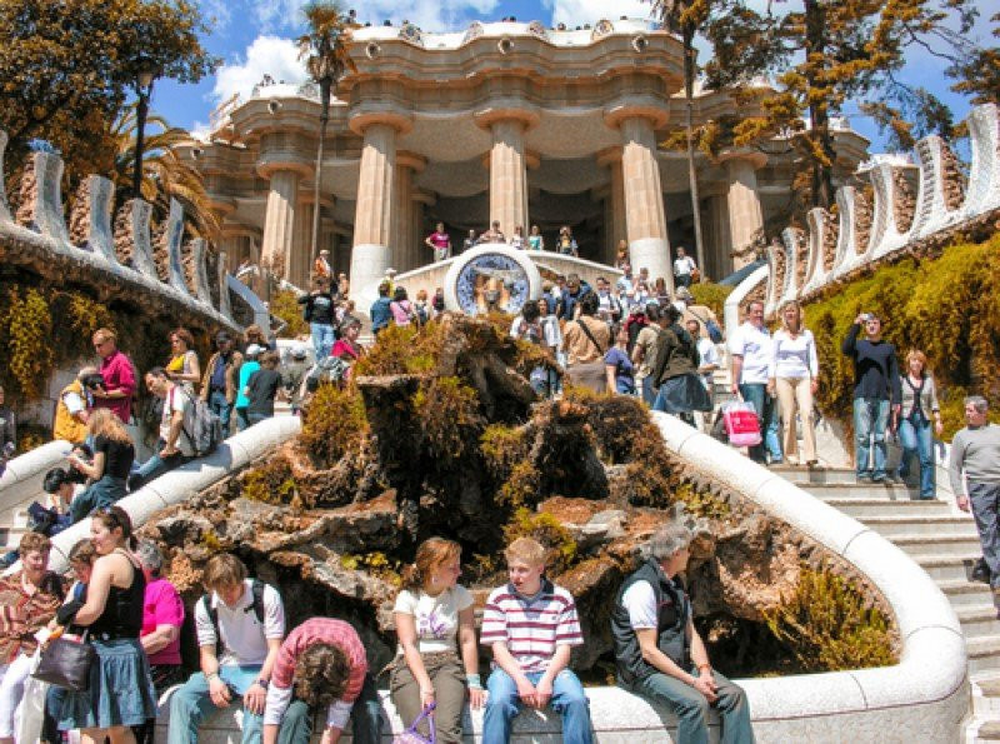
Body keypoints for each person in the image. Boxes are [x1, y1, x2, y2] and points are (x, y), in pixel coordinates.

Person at [612, 523, 754, 744]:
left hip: (678, 664)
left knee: (735, 696)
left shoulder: (676, 582)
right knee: (694, 704)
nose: (691, 553)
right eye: (688, 549)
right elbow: (648, 652)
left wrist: (704, 671)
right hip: (644, 672)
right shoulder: (643, 589)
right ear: (676, 553)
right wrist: (693, 682)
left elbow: (691, 632)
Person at [54, 506, 157, 743]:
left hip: (106, 654)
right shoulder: (135, 562)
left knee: (93, 727)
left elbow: (91, 611)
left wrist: (65, 617)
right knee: (117, 728)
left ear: (117, 531)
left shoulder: (106, 563)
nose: (92, 538)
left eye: (96, 531)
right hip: (128, 651)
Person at [480, 537, 592, 744]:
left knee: (576, 700)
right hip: (509, 670)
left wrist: (547, 679)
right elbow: (499, 648)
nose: (515, 576)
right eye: (512, 569)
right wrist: (521, 680)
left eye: (522, 570)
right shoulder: (498, 598)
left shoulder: (562, 598)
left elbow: (564, 648)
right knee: (498, 702)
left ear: (540, 568)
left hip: (551, 669)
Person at [168, 553, 284, 744]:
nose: (226, 596)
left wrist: (261, 683)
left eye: (231, 589)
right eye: (220, 591)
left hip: (260, 666)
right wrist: (213, 679)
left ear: (242, 581)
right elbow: (207, 652)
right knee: (182, 699)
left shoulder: (266, 596)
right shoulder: (205, 605)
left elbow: (276, 649)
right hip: (226, 666)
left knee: (256, 707)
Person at [390, 538, 484, 743]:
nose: (459, 572)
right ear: (433, 569)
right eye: (453, 568)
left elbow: (467, 639)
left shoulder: (460, 595)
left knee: (447, 731)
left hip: (448, 665)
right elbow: (409, 645)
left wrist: (473, 681)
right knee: (422, 730)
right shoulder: (408, 597)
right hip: (410, 667)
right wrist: (425, 686)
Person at [262, 618, 382, 744]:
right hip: (303, 674)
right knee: (295, 714)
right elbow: (275, 705)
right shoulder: (289, 652)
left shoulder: (356, 662)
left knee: (370, 715)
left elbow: (339, 713)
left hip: (348, 672)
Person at [0, 533, 65, 744]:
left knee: (13, 687)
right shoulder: (6, 585)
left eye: (45, 558)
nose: (41, 564)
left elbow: (66, 617)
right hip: (5, 649)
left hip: (36, 651)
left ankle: (5, 736)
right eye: (36, 558)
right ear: (23, 557)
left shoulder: (58, 586)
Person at [43, 539, 96, 744]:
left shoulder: (98, 586)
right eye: (76, 569)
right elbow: (63, 613)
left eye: (83, 568)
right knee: (53, 696)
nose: (79, 574)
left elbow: (71, 611)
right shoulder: (79, 587)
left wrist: (65, 614)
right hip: (72, 651)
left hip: (89, 653)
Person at [133, 540, 185, 744]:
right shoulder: (129, 590)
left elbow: (166, 634)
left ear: (149, 567)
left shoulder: (163, 589)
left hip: (159, 665)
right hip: (134, 663)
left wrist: (130, 649)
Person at [841, 312, 901, 483]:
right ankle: (862, 472)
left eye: (875, 323)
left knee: (881, 436)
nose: (872, 326)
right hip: (863, 396)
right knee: (863, 436)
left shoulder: (888, 348)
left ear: (880, 326)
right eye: (869, 324)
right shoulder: (859, 346)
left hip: (882, 397)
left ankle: (880, 471)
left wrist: (896, 399)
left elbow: (894, 374)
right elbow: (845, 349)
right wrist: (855, 325)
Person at [949, 397, 1000, 588]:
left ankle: (986, 566)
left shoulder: (997, 431)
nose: (967, 414)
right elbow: (954, 467)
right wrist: (959, 493)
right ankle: (998, 580)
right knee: (989, 532)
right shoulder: (961, 436)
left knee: (996, 533)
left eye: (971, 411)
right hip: (979, 488)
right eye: (966, 410)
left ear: (982, 413)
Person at [729, 300, 782, 465]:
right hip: (751, 380)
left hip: (768, 380)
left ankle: (772, 454)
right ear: (748, 314)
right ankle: (757, 457)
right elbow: (737, 358)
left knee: (770, 419)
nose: (759, 314)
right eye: (755, 312)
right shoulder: (741, 332)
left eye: (761, 311)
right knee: (755, 419)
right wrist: (734, 381)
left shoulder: (766, 332)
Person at [768, 301, 820, 467]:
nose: (790, 314)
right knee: (788, 415)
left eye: (792, 311)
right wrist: (771, 379)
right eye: (787, 311)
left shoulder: (807, 335)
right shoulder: (778, 335)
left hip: (803, 376)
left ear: (798, 314)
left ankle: (811, 454)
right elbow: (772, 358)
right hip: (784, 377)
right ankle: (791, 455)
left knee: (807, 413)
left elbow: (812, 357)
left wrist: (815, 377)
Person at [131, 368, 194, 490]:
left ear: (162, 377)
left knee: (136, 479)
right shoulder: (170, 396)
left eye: (151, 383)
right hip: (166, 448)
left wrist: (169, 447)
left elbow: (178, 418)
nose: (150, 389)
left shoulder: (177, 393)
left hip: (172, 453)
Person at [67, 408, 134, 522]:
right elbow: (115, 463)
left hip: (104, 488)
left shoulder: (101, 438)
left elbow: (96, 473)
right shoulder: (127, 441)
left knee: (76, 509)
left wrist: (78, 461)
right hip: (120, 487)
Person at [650, 305, 712, 425]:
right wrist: (691, 368)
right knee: (687, 415)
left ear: (667, 318)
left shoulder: (666, 334)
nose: (658, 321)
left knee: (658, 415)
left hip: (673, 376)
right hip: (689, 375)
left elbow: (661, 359)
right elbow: (696, 355)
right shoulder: (686, 333)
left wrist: (656, 381)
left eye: (660, 318)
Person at [896, 350, 944, 499]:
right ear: (908, 363)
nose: (916, 363)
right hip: (906, 418)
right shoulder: (901, 379)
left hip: (924, 419)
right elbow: (895, 401)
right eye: (913, 360)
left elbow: (933, 401)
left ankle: (927, 492)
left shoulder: (928, 381)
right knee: (910, 446)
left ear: (923, 364)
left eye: (919, 361)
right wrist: (892, 420)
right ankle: (903, 469)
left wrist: (938, 420)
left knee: (927, 457)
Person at [562, 293, 612, 394]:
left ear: (580, 307)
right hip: (597, 368)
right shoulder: (603, 326)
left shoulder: (570, 325)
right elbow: (605, 347)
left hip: (576, 368)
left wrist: (576, 317)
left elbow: (564, 348)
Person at [200, 331, 243, 438]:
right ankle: (214, 444)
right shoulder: (215, 357)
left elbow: (237, 368)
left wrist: (230, 356)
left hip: (225, 393)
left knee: (223, 422)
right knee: (212, 421)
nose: (221, 345)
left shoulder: (235, 357)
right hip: (213, 392)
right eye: (219, 343)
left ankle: (223, 445)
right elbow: (207, 375)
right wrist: (203, 391)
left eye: (223, 342)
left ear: (230, 342)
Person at [92, 328, 137, 424]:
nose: (97, 350)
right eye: (95, 346)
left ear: (111, 342)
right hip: (101, 415)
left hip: (114, 417)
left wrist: (105, 394)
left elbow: (128, 389)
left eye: (100, 345)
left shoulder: (121, 361)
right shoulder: (105, 362)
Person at [53, 367, 101, 444]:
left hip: (79, 436)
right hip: (68, 439)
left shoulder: (86, 391)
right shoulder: (71, 392)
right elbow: (84, 416)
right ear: (89, 380)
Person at [687, 318, 720, 431]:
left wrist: (700, 369)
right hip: (691, 383)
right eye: (689, 331)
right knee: (697, 416)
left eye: (694, 331)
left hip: (706, 381)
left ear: (698, 331)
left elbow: (716, 364)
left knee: (707, 416)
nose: (692, 334)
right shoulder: (683, 345)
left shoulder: (707, 344)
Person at [632, 305, 664, 406]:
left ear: (646, 316)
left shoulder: (645, 331)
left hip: (651, 372)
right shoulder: (667, 330)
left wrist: (639, 361)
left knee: (651, 409)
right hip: (666, 372)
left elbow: (634, 355)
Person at [299, 276, 337, 359]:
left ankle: (326, 361)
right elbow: (300, 301)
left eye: (327, 286)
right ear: (319, 286)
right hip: (316, 323)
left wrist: (334, 322)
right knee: (319, 346)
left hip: (327, 324)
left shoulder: (328, 296)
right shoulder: (313, 295)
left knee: (329, 344)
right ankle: (320, 364)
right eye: (324, 286)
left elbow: (331, 311)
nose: (326, 288)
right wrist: (310, 295)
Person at [245, 351, 283, 426]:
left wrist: (254, 398)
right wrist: (288, 400)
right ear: (272, 363)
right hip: (265, 411)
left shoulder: (253, 374)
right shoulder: (276, 375)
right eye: (276, 363)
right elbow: (280, 394)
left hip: (251, 411)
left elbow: (245, 392)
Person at [234, 345, 262, 433]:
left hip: (240, 401)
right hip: (251, 401)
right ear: (258, 355)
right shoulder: (257, 367)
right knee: (253, 433)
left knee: (242, 432)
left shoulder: (243, 366)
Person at [165, 327, 201, 395]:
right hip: (172, 393)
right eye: (172, 342)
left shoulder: (190, 355)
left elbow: (197, 377)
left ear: (185, 341)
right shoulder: (174, 357)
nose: (174, 344)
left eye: (177, 341)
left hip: (184, 393)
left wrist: (177, 375)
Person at [605, 323, 636, 395]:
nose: (627, 333)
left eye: (626, 331)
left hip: (628, 389)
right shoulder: (614, 352)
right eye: (623, 331)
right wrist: (615, 392)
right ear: (616, 336)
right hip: (620, 389)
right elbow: (610, 373)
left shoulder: (624, 352)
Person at [281, 343, 312, 415]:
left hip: (295, 401)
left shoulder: (289, 369)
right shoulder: (309, 368)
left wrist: (288, 396)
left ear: (293, 356)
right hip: (307, 401)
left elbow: (287, 385)